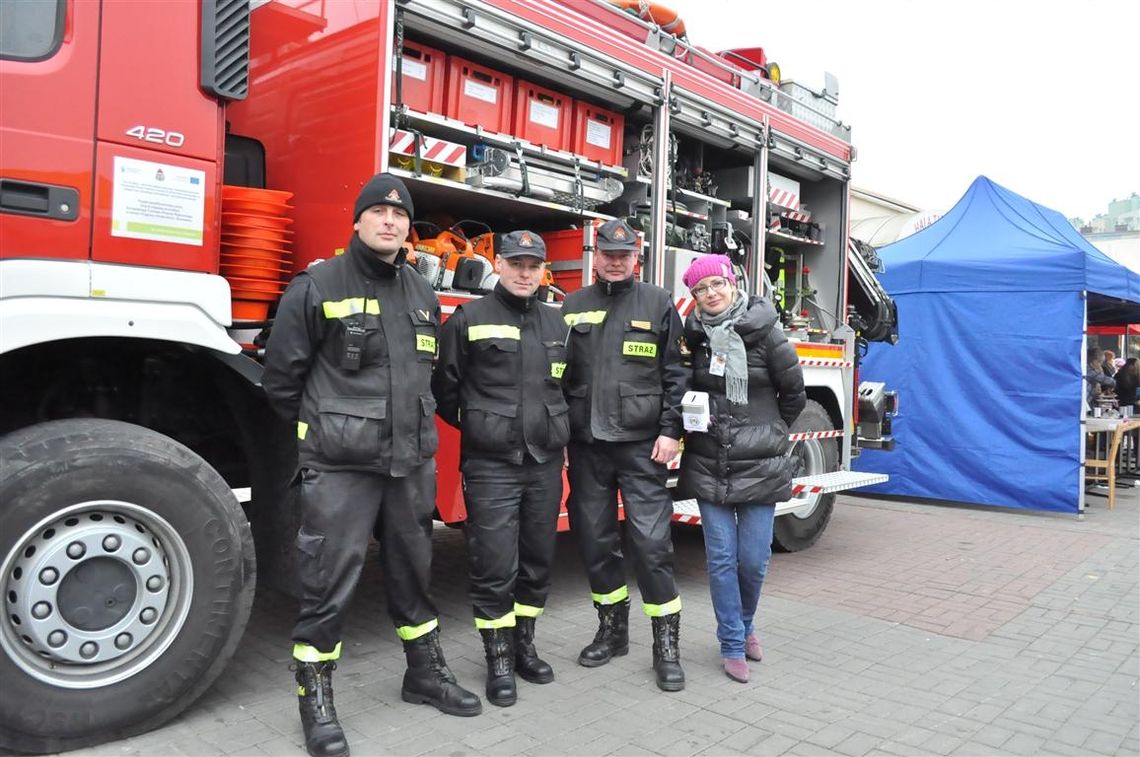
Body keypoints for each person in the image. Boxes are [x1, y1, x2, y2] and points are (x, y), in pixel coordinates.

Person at [263, 173, 481, 757]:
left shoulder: (420, 292)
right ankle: (315, 697)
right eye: (378, 213)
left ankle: (424, 674)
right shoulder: (317, 285)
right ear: (357, 221)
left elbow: (427, 377)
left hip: (409, 464)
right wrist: (328, 434)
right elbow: (283, 381)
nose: (390, 221)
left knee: (415, 572)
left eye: (400, 215)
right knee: (327, 582)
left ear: (409, 228)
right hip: (341, 465)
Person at [432, 230, 569, 707]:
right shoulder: (470, 318)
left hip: (545, 462)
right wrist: (484, 426)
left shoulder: (559, 324)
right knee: (494, 565)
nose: (525, 272)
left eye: (534, 265)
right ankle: (498, 661)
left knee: (537, 563)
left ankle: (523, 646)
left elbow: (567, 388)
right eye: (516, 263)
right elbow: (445, 391)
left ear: (543, 270)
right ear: (501, 265)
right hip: (491, 464)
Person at [561, 218, 688, 691]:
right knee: (594, 543)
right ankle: (612, 633)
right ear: (596, 255)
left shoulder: (657, 303)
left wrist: (671, 430)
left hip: (641, 447)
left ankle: (666, 646)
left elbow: (676, 374)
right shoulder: (571, 306)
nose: (615, 261)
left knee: (652, 546)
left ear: (637, 258)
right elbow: (558, 375)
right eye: (608, 254)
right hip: (588, 446)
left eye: (624, 254)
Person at [676, 255, 806, 683]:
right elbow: (681, 389)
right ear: (693, 296)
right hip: (709, 460)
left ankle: (747, 623)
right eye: (700, 289)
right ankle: (732, 640)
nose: (710, 294)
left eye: (716, 284)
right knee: (721, 559)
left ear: (732, 284)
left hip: (761, 463)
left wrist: (766, 432)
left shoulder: (767, 333)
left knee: (753, 560)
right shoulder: (692, 337)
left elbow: (794, 397)